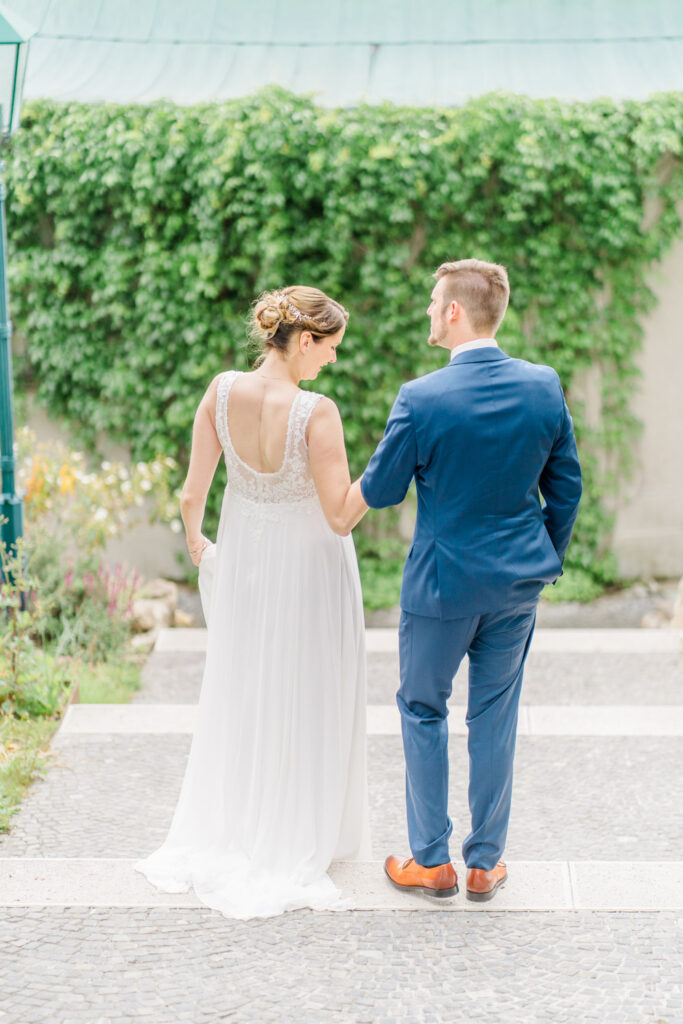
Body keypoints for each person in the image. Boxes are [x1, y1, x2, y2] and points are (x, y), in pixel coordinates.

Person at [135, 286, 371, 919]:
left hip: (244, 563)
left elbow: (192, 495)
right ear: (304, 340)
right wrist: (383, 476)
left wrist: (199, 547)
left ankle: (242, 819)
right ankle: (298, 825)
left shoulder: (220, 391)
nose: (333, 361)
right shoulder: (317, 412)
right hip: (309, 569)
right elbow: (339, 516)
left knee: (246, 689)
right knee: (307, 690)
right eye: (331, 348)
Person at [361, 258, 582, 902]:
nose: (429, 311)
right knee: (495, 716)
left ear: (454, 312)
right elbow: (565, 487)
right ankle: (485, 862)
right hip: (515, 588)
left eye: (434, 302)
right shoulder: (543, 386)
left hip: (439, 587)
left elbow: (379, 490)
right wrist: (542, 556)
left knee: (422, 710)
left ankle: (430, 861)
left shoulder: (420, 397)